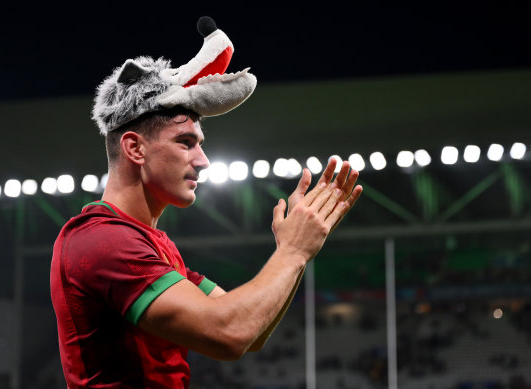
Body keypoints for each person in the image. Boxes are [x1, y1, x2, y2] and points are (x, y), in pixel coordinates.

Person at [50, 16, 362, 389]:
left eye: (200, 144)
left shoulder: (150, 245)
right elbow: (228, 333)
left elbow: (252, 332)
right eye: (185, 142)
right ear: (134, 148)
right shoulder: (103, 241)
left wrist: (295, 250)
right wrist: (293, 252)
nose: (203, 160)